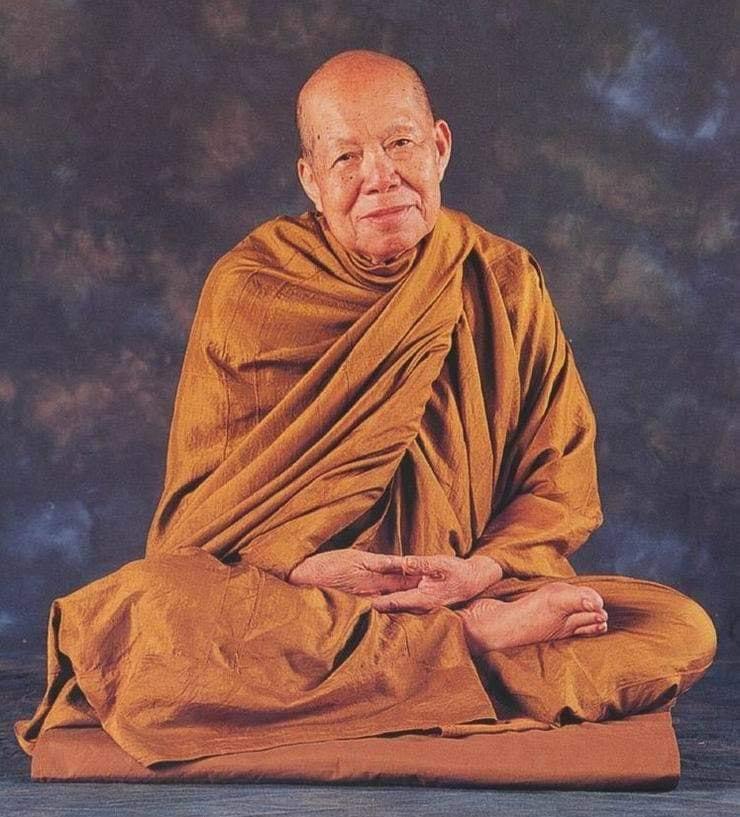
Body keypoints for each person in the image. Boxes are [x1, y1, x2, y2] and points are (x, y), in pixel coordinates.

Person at [15, 50, 717, 766]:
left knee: (677, 628)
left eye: (400, 143)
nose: (380, 176)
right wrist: (303, 571)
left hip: (463, 587)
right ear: (311, 181)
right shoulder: (249, 291)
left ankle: (390, 673)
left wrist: (478, 574)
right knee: (145, 614)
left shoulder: (502, 279)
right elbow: (197, 525)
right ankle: (470, 650)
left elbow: (559, 483)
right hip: (297, 607)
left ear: (439, 147)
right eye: (346, 157)